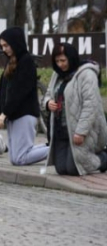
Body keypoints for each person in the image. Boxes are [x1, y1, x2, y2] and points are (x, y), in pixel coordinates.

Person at [42, 43, 107, 175]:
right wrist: (48, 103)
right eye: (57, 61)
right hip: (62, 129)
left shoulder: (87, 74)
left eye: (63, 60)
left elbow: (91, 105)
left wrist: (81, 132)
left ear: (71, 58)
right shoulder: (57, 75)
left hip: (82, 129)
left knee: (73, 169)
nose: (60, 64)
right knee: (61, 168)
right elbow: (48, 93)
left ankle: (104, 159)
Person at [0, 26, 49, 165]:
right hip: (13, 115)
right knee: (14, 158)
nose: (4, 49)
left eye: (6, 45)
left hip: (25, 114)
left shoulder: (26, 61)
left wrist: (4, 114)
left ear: (15, 43)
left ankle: (57, 150)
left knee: (20, 158)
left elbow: (19, 92)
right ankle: (50, 147)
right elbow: (2, 88)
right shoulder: (11, 61)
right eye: (2, 46)